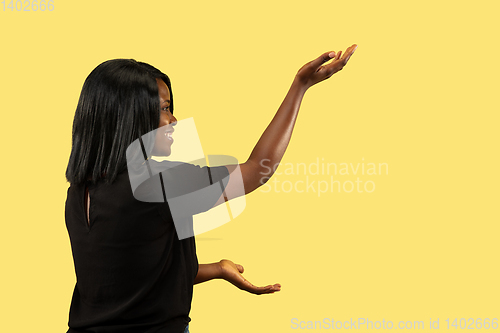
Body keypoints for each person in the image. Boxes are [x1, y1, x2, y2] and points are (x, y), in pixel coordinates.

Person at [65, 44, 357, 333]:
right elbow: (259, 168)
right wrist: (300, 85)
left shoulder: (81, 191)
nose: (173, 120)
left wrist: (218, 269)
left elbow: (137, 278)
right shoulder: (159, 183)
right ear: (131, 115)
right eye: (165, 108)